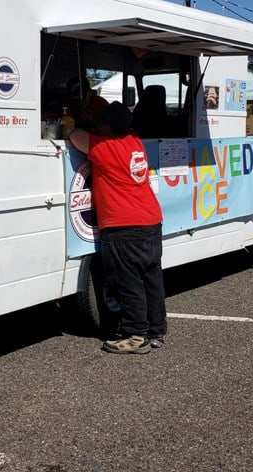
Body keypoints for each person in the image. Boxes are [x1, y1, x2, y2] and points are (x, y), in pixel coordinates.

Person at [69, 101, 167, 354]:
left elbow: (74, 136)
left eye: (103, 121)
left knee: (129, 281)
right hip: (150, 219)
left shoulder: (104, 148)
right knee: (151, 278)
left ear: (108, 127)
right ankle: (156, 330)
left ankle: (135, 335)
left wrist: (85, 123)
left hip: (124, 223)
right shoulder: (135, 141)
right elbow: (114, 129)